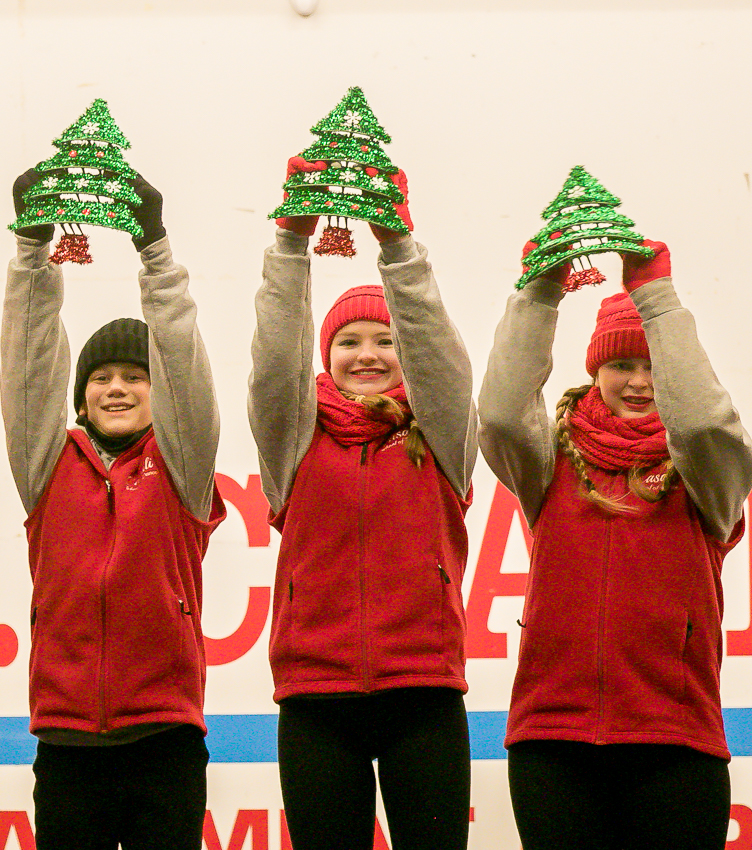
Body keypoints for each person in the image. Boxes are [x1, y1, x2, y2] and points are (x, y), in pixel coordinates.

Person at [478, 240, 751, 849]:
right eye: (622, 364)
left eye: (655, 364)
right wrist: (540, 292)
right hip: (553, 742)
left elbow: (703, 422)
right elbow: (498, 416)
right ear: (595, 371)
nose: (640, 382)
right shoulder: (548, 463)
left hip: (676, 742)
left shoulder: (708, 474)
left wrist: (656, 300)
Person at [249, 164, 476, 850]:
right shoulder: (293, 435)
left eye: (385, 340)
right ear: (326, 356)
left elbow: (439, 354)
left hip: (424, 693)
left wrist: (397, 247)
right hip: (315, 699)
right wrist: (291, 243)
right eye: (349, 341)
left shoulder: (440, 433)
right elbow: (275, 363)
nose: (367, 355)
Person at [1, 169, 225, 850]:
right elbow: (29, 364)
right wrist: (31, 253)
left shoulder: (183, 464)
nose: (117, 388)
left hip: (166, 736)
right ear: (81, 396)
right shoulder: (46, 463)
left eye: (135, 376)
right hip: (66, 741)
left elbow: (184, 365)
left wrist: (155, 251)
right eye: (101, 377)